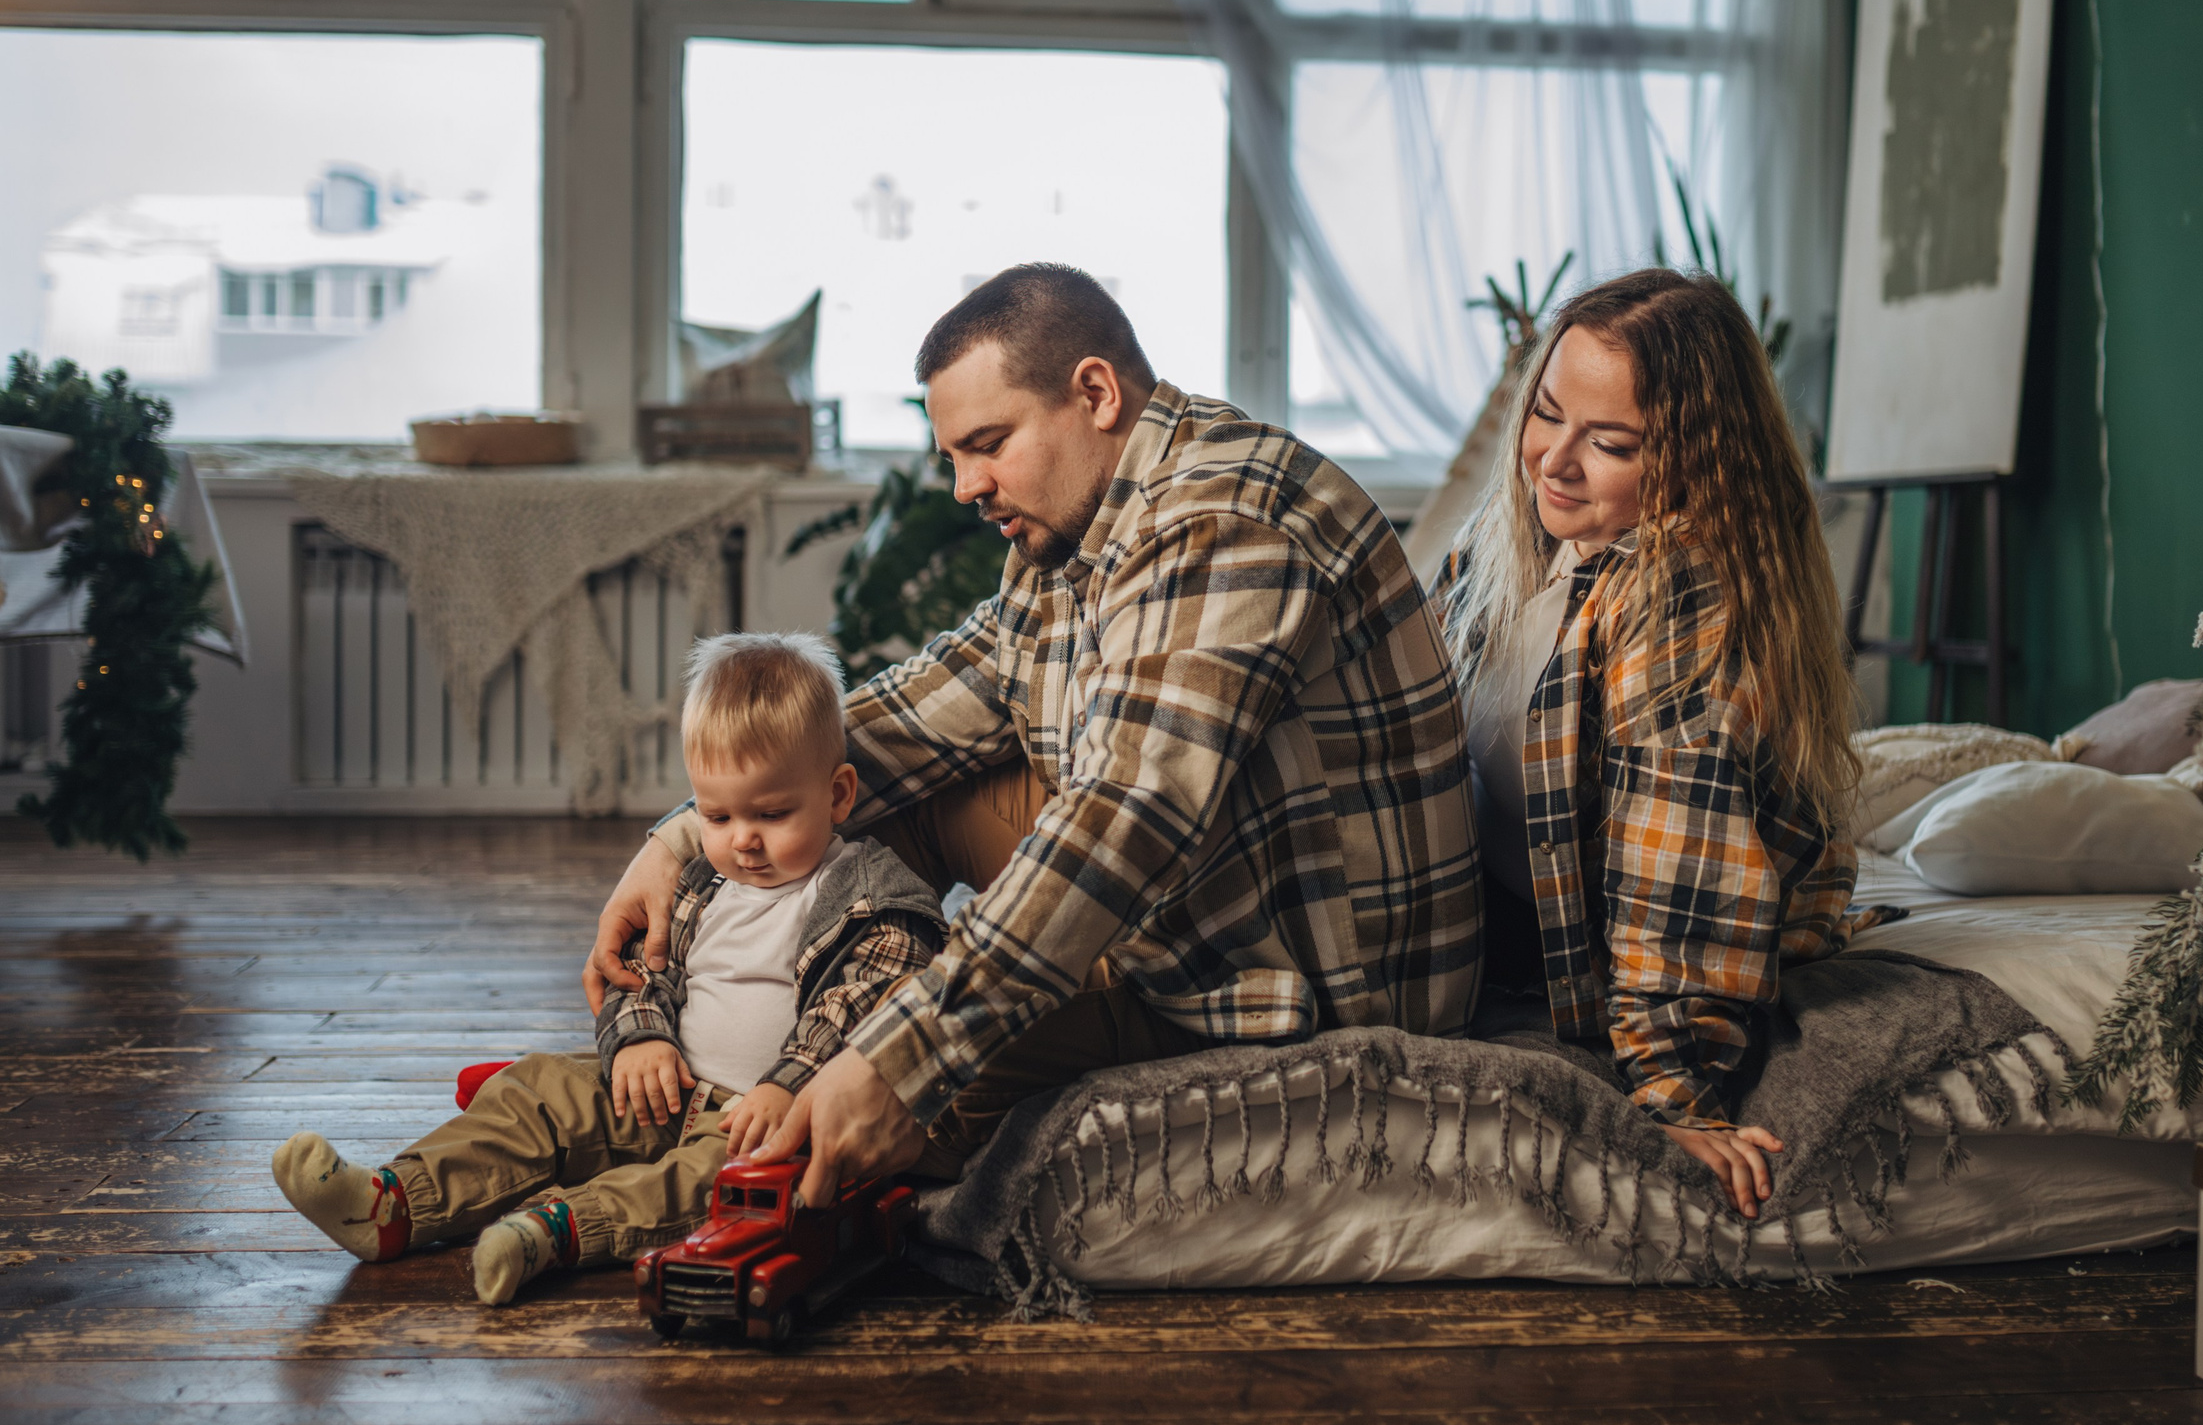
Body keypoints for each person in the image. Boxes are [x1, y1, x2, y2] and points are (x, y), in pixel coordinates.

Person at [584, 263, 1481, 1201]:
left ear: (1093, 393)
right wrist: (681, 837)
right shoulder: (1077, 520)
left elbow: (1121, 821)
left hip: (1312, 983)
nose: (968, 486)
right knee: (849, 814)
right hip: (1216, 885)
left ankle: (777, 1105)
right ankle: (736, 1052)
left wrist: (903, 1061)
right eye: (954, 458)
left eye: (988, 443)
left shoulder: (1223, 522)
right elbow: (927, 707)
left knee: (935, 1101)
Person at [270, 633, 945, 1303]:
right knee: (539, 1087)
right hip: (669, 1086)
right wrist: (641, 1034)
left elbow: (864, 999)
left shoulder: (867, 893)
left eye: (772, 812)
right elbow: (638, 969)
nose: (743, 837)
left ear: (838, 794)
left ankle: (554, 1229)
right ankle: (394, 1202)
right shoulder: (697, 884)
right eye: (716, 813)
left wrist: (791, 1083)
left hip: (758, 1120)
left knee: (710, 1178)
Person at [1435, 268, 1879, 1224]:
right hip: (1524, 940)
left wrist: (1674, 1092)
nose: (1554, 460)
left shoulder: (1680, 590)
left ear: (1693, 463)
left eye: (1611, 443)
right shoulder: (1504, 550)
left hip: (1675, 949)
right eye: (1547, 413)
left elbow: (1680, 852)